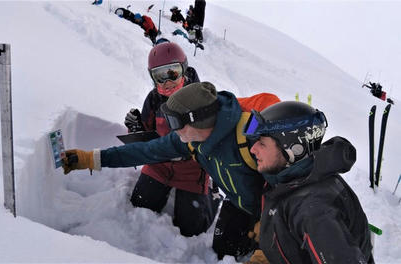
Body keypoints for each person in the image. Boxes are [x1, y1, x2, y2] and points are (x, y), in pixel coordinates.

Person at [62, 82, 280, 260]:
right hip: (238, 201)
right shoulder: (190, 140)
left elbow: (286, 186)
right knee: (225, 250)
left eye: (176, 122)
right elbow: (144, 151)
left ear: (199, 120)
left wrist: (270, 229)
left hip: (274, 206)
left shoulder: (250, 137)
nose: (172, 129)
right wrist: (91, 159)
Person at [245, 101, 374, 263]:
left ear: (293, 150)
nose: (253, 149)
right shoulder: (287, 178)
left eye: (262, 143)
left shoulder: (314, 209)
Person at [123, 42, 221, 237]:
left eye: (173, 73)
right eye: (160, 75)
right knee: (140, 205)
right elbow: (147, 134)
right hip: (160, 164)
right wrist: (135, 128)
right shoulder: (153, 100)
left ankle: (213, 195)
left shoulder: (202, 99)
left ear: (183, 69)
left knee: (191, 229)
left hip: (192, 168)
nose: (167, 81)